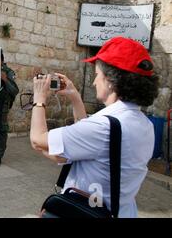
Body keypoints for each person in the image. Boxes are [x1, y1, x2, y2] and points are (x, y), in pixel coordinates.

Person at [29, 37, 159, 218]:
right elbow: (89, 141)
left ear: (111, 81)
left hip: (86, 212)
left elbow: (38, 140)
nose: (93, 82)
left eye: (97, 75)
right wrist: (74, 96)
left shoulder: (104, 126)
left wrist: (39, 100)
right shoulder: (144, 124)